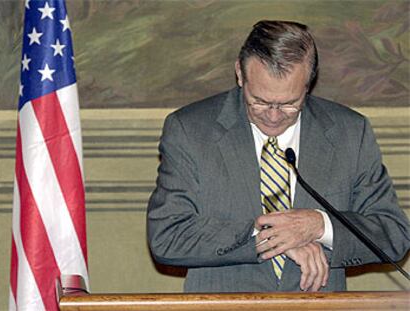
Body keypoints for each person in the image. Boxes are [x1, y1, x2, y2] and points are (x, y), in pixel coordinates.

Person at [147, 20, 410, 292]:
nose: (273, 116)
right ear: (240, 73)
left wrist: (318, 225)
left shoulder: (350, 133)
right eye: (259, 101)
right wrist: (269, 238)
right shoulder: (190, 130)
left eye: (289, 104)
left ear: (308, 84)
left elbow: (393, 234)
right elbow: (168, 237)